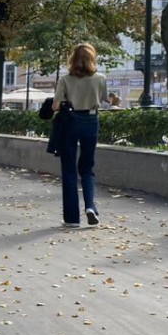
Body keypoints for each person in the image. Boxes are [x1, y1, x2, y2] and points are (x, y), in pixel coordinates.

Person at [54, 43, 108, 227]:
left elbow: (55, 106)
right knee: (87, 167)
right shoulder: (100, 78)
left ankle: (72, 219)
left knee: (69, 169)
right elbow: (104, 99)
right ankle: (90, 207)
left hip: (70, 122)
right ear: (92, 58)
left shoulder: (65, 80)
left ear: (73, 59)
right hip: (91, 122)